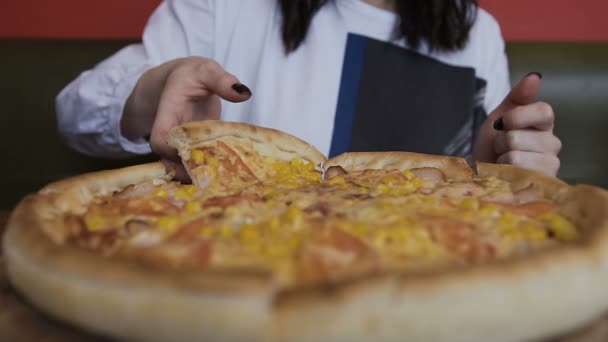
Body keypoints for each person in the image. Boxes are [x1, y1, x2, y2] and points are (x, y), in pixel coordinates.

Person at [56, 0, 561, 177]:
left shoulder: (475, 31)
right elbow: (73, 116)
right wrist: (153, 91)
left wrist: (499, 166)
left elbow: (472, 180)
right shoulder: (226, 4)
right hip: (230, 267)